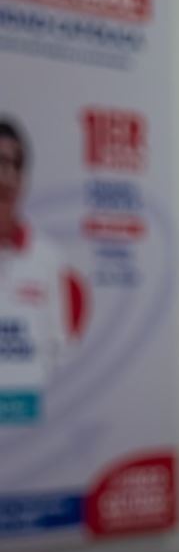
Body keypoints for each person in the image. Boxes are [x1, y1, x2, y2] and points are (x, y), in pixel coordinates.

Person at [0, 117, 86, 422]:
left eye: (16, 165)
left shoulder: (48, 258)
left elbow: (60, 353)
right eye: (0, 162)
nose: (7, 176)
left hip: (30, 421)